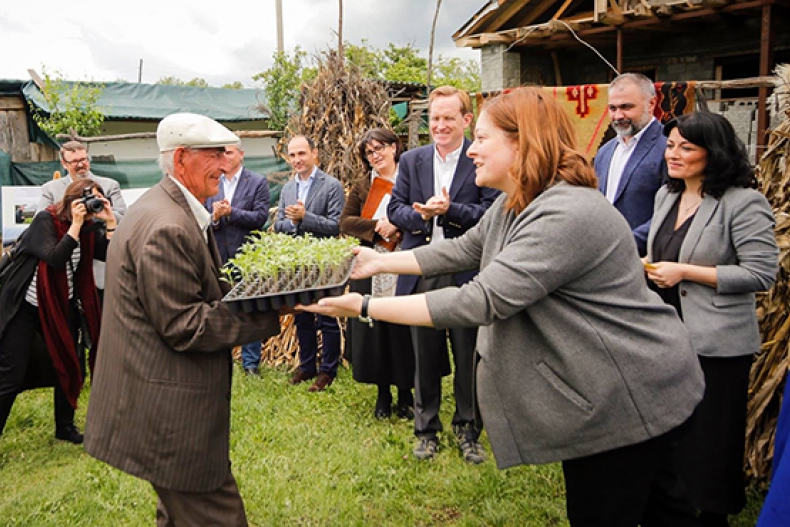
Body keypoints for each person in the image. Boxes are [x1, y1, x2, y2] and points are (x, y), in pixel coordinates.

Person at [302, 87, 706, 526]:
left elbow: (479, 299)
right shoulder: (522, 201)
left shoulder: (564, 212)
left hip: (629, 392)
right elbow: (462, 251)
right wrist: (377, 261)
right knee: (666, 511)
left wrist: (363, 307)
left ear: (522, 142)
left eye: (481, 138)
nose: (470, 150)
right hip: (617, 385)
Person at [84, 113, 281, 527]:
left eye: (225, 155)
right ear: (180, 160)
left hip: (161, 404)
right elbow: (186, 325)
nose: (225, 166)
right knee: (217, 515)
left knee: (176, 515)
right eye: (214, 155)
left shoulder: (163, 206)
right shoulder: (167, 225)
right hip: (172, 417)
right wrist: (272, 311)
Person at [644, 112, 778, 527]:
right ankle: (675, 507)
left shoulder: (743, 202)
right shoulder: (666, 197)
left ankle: (713, 514)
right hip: (666, 336)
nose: (674, 154)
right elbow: (663, 254)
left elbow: (761, 274)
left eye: (687, 147)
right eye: (671, 146)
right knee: (673, 434)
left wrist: (686, 272)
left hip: (717, 343)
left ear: (713, 153)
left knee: (712, 437)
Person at [387, 85, 499, 464]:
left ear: (466, 120)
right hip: (422, 270)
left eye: (449, 117)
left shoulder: (479, 158)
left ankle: (469, 430)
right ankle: (426, 430)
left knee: (468, 354)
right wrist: (420, 214)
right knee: (425, 355)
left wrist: (449, 210)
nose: (440, 125)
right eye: (435, 117)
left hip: (467, 271)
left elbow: (490, 214)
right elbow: (394, 211)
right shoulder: (413, 160)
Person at [0, 179, 117, 477]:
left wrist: (110, 222)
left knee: (70, 362)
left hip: (62, 305)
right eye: (88, 203)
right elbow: (55, 257)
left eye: (97, 203)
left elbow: (113, 255)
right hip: (25, 308)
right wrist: (76, 226)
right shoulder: (46, 220)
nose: (92, 210)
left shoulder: (90, 227)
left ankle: (64, 427)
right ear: (72, 202)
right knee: (9, 377)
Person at [340, 128, 416, 420]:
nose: (375, 155)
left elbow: (422, 215)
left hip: (404, 260)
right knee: (376, 331)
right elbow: (345, 222)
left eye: (380, 148)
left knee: (403, 327)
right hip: (371, 262)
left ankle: (407, 394)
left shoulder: (410, 180)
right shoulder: (362, 186)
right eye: (369, 152)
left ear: (394, 147)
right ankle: (383, 393)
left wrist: (397, 225)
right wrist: (377, 227)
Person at [274, 135, 345, 392]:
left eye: (301, 154)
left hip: (323, 261)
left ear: (314, 153)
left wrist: (305, 217)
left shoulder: (331, 186)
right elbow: (279, 225)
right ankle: (306, 366)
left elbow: (336, 226)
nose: (297, 160)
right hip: (297, 262)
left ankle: (328, 370)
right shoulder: (287, 189)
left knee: (326, 316)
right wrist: (293, 223)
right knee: (302, 315)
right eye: (292, 155)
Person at [204, 143, 271, 377]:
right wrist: (214, 217)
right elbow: (204, 216)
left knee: (250, 306)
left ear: (241, 155)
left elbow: (260, 218)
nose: (224, 157)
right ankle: (223, 357)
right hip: (219, 255)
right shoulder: (213, 181)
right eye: (221, 153)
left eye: (229, 152)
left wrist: (231, 212)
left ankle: (251, 363)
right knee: (222, 307)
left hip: (247, 256)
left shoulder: (257, 182)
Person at [38, 140, 128, 292]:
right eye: (74, 161)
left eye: (83, 159)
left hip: (98, 257)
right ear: (64, 164)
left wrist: (102, 214)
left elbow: (124, 217)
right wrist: (72, 217)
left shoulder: (109, 185)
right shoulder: (50, 189)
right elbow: (40, 221)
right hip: (65, 257)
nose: (80, 165)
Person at [594, 73, 667, 256]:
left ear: (651, 104)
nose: (618, 116)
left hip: (648, 262)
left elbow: (671, 213)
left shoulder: (668, 148)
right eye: (612, 108)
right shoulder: (605, 152)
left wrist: (624, 245)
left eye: (626, 107)